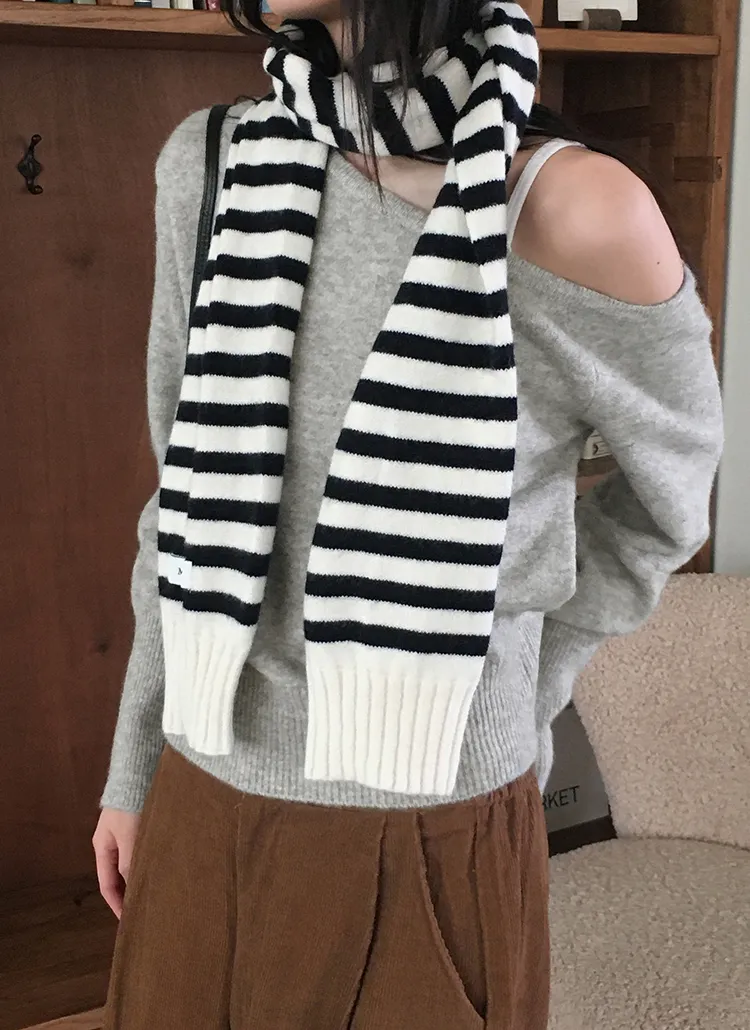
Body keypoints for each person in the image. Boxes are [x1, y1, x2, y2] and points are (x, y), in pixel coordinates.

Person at [94, 1, 723, 1027]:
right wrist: (133, 772)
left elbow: (668, 505)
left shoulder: (575, 209)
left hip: (432, 823)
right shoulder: (207, 165)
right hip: (202, 782)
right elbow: (179, 504)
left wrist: (516, 691)